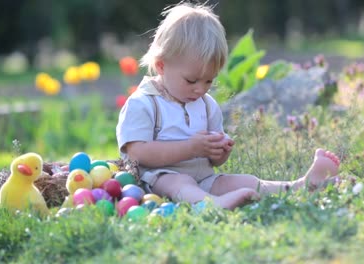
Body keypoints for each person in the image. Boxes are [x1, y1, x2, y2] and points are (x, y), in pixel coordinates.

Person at [116, 2, 341, 210]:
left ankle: (300, 186)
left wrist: (220, 152)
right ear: (161, 66)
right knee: (180, 182)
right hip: (156, 182)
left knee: (245, 181)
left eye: (209, 81)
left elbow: (214, 161)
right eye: (191, 80)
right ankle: (212, 205)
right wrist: (191, 148)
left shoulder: (206, 106)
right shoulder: (144, 103)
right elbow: (138, 153)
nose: (200, 89)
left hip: (205, 180)